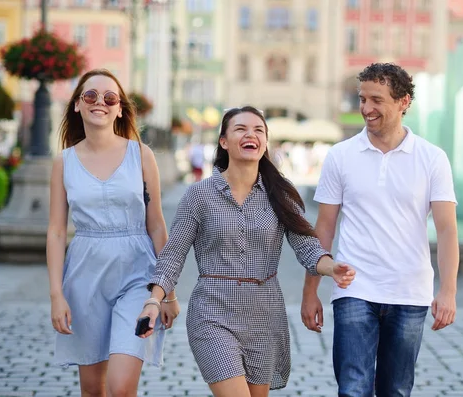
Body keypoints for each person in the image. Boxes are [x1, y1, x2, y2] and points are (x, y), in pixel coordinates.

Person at [136, 106, 356, 397]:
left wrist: (332, 267)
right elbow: (173, 255)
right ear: (224, 141)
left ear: (264, 143)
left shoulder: (280, 193)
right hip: (212, 313)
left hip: (264, 317)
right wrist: (155, 299)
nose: (251, 134)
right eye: (241, 129)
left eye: (258, 130)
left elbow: (307, 246)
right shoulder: (199, 195)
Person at [300, 63, 460, 397]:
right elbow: (324, 228)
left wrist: (448, 291)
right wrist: (310, 291)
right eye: (362, 99)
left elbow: (446, 230)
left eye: (376, 100)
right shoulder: (340, 156)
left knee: (396, 390)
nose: (366, 109)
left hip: (409, 291)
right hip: (353, 288)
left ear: (403, 102)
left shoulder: (432, 159)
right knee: (353, 388)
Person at [46, 68, 180, 397]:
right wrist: (56, 295)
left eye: (110, 98)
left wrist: (168, 293)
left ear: (119, 108)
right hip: (84, 278)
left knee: (121, 387)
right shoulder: (64, 162)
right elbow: (56, 232)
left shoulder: (141, 155)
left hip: (138, 276)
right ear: (77, 105)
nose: (100, 103)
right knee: (93, 390)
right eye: (90, 96)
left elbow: (157, 225)